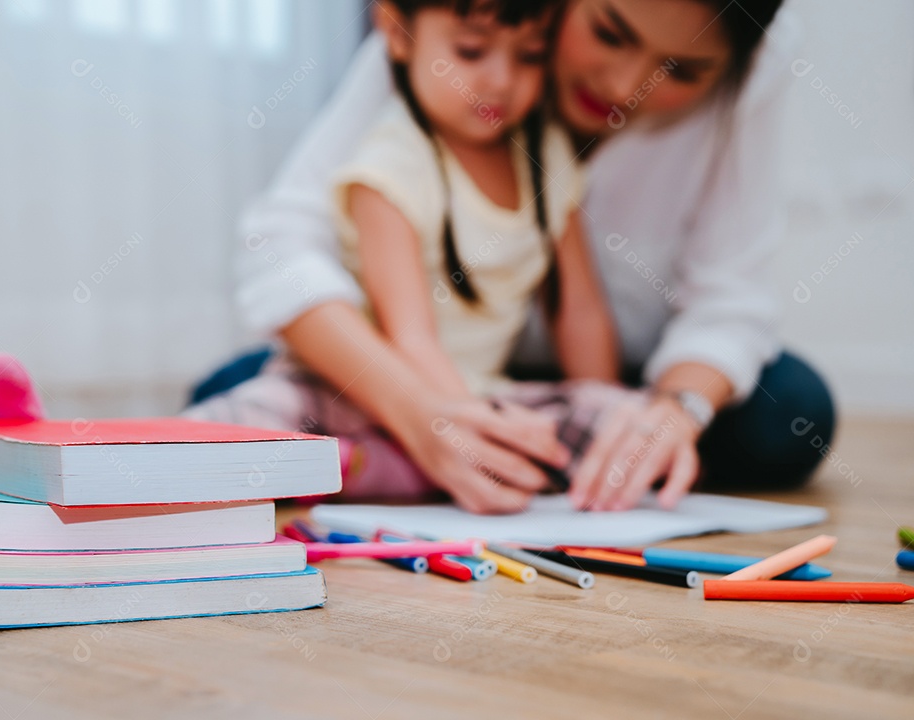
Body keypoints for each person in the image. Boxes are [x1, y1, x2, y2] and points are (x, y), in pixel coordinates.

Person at [202, 0, 836, 513]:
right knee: (236, 395)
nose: (624, 85)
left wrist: (653, 413)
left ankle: (396, 459)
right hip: (416, 368)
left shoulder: (551, 156)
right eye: (609, 32)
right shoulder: (460, 21)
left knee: (791, 413)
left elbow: (720, 302)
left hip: (572, 380)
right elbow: (288, 249)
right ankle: (418, 450)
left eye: (684, 71)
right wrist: (429, 416)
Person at [184, 0, 643, 513]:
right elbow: (411, 335)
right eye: (470, 52)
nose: (500, 79)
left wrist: (608, 421)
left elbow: (580, 311)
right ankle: (375, 463)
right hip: (360, 395)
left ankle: (365, 468)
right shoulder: (389, 165)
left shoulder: (547, 153)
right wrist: (467, 430)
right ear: (397, 34)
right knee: (246, 417)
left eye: (530, 56)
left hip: (483, 392)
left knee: (623, 416)